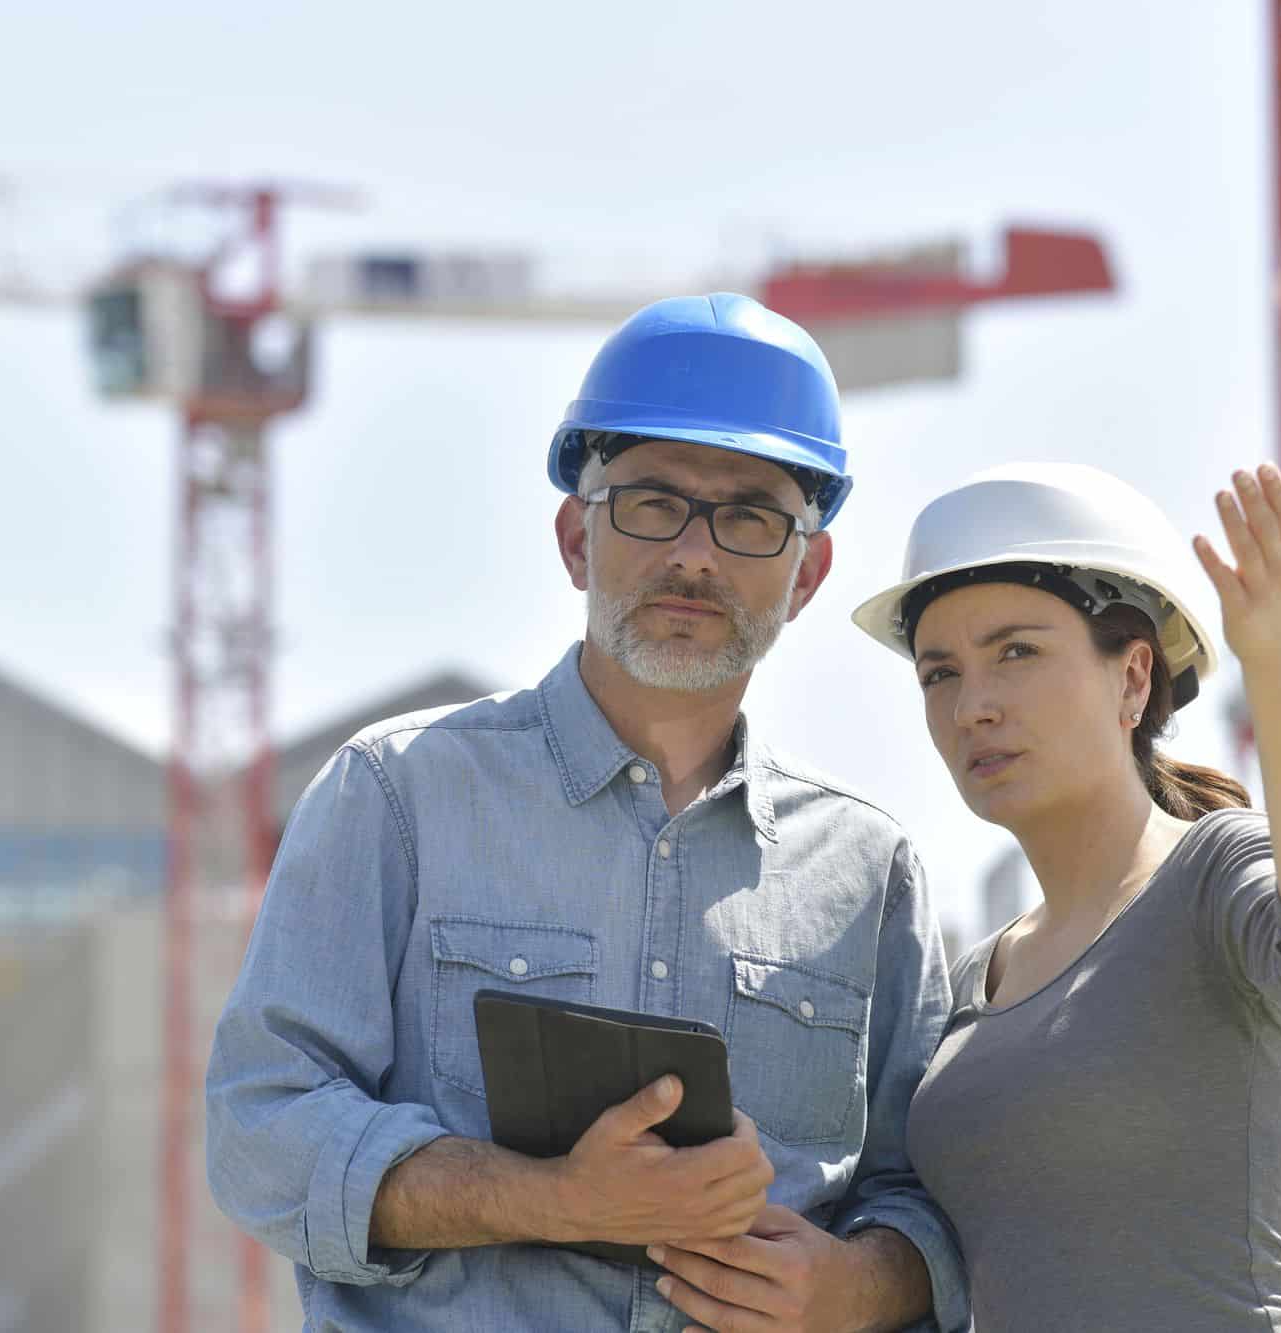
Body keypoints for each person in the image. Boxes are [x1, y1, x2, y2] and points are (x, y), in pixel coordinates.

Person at [206, 293, 970, 1332]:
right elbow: (264, 1125)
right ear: (577, 537)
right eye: (653, 502)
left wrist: (865, 1286)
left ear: (806, 575)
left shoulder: (867, 871)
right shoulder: (397, 796)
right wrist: (550, 1197)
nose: (694, 555)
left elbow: (923, 1193)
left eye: (748, 516)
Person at [756, 458, 1281, 1332]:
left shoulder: (1212, 873)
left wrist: (1278, 658)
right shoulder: (980, 973)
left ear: (1134, 678)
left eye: (1017, 651)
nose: (973, 703)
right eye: (939, 673)